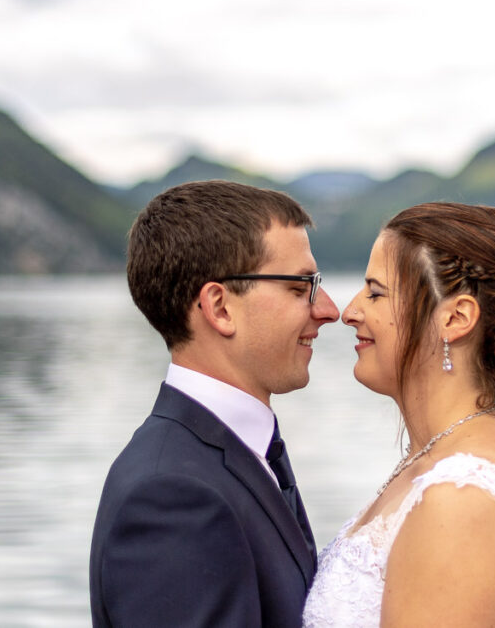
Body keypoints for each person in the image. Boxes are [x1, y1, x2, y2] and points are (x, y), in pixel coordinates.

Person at [303, 202, 495, 628]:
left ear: (455, 318)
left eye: (375, 292)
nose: (349, 311)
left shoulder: (463, 500)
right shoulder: (449, 455)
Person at [90, 180, 340, 627]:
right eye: (302, 286)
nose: (328, 309)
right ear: (220, 307)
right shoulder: (171, 497)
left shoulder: (226, 453)